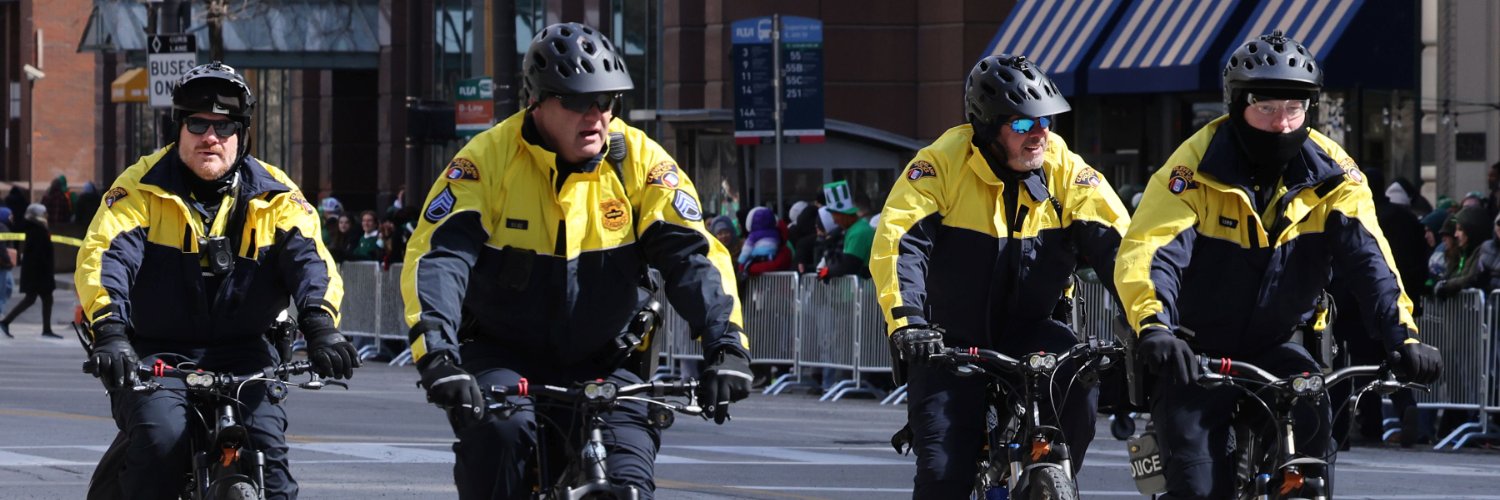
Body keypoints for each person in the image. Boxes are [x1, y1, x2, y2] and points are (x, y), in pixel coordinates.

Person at [400, 22, 751, 500]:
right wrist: (437, 356)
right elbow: (438, 258)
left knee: (629, 481)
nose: (595, 115)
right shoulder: (486, 160)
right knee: (500, 438)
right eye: (576, 100)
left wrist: (726, 346)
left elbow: (695, 256)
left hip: (608, 360)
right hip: (505, 356)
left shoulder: (639, 162)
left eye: (606, 101)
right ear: (537, 102)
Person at [1113, 32, 1443, 498]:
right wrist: (1155, 327)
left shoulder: (1334, 175)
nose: (1282, 124)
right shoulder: (1191, 168)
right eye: (1265, 108)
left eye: (1295, 108)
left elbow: (1373, 262)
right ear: (1236, 106)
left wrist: (1402, 337)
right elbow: (1149, 253)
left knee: (1311, 452)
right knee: (1197, 487)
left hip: (1279, 344)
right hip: (1195, 352)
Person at [74, 61, 360, 499]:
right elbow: (103, 258)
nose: (211, 136)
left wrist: (321, 326)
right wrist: (110, 332)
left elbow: (312, 262)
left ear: (242, 135)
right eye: (198, 123)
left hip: (246, 352)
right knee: (161, 441)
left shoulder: (276, 193)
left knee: (273, 467)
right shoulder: (139, 188)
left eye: (224, 126)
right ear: (179, 129)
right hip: (157, 354)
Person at [871, 54, 1130, 496]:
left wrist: (1152, 321)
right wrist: (908, 322)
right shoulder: (939, 165)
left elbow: (1122, 249)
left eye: (1046, 120)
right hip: (948, 339)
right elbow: (898, 245)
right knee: (942, 471)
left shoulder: (1063, 165)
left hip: (1032, 328)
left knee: (1081, 385)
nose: (1041, 134)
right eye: (1024, 125)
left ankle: (1054, 478)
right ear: (989, 128)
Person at [1, 204, 58, 338]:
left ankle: (46, 328)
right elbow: (39, 253)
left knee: (39, 299)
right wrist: (46, 271)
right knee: (35, 298)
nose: (46, 217)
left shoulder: (36, 229)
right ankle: (6, 322)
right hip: (38, 272)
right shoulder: (37, 230)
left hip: (37, 271)